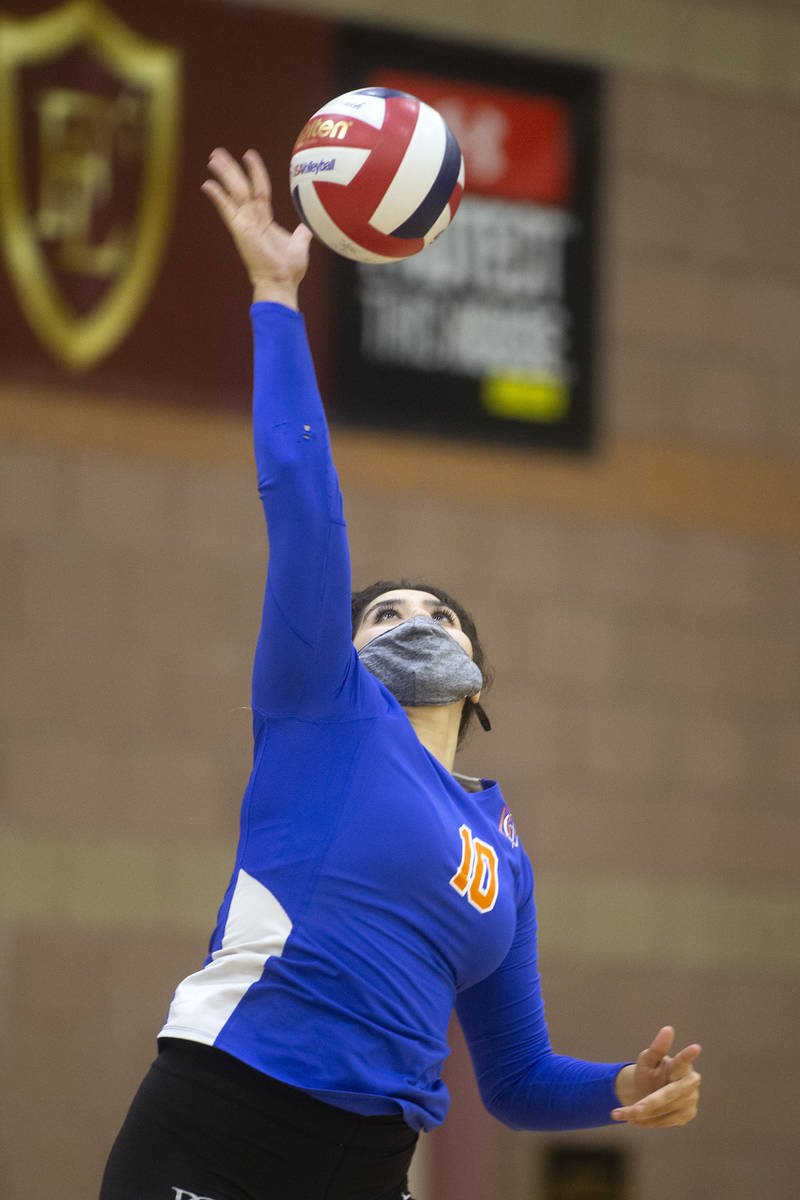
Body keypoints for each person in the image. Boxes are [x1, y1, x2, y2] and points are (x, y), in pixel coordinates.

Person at [99, 149, 701, 1200]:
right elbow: (302, 505)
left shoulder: (500, 854)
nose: (412, 617)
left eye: (437, 612)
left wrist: (621, 1084)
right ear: (352, 654)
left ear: (475, 681)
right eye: (383, 612)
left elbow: (513, 1078)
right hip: (231, 1107)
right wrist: (275, 300)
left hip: (373, 1163)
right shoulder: (319, 706)